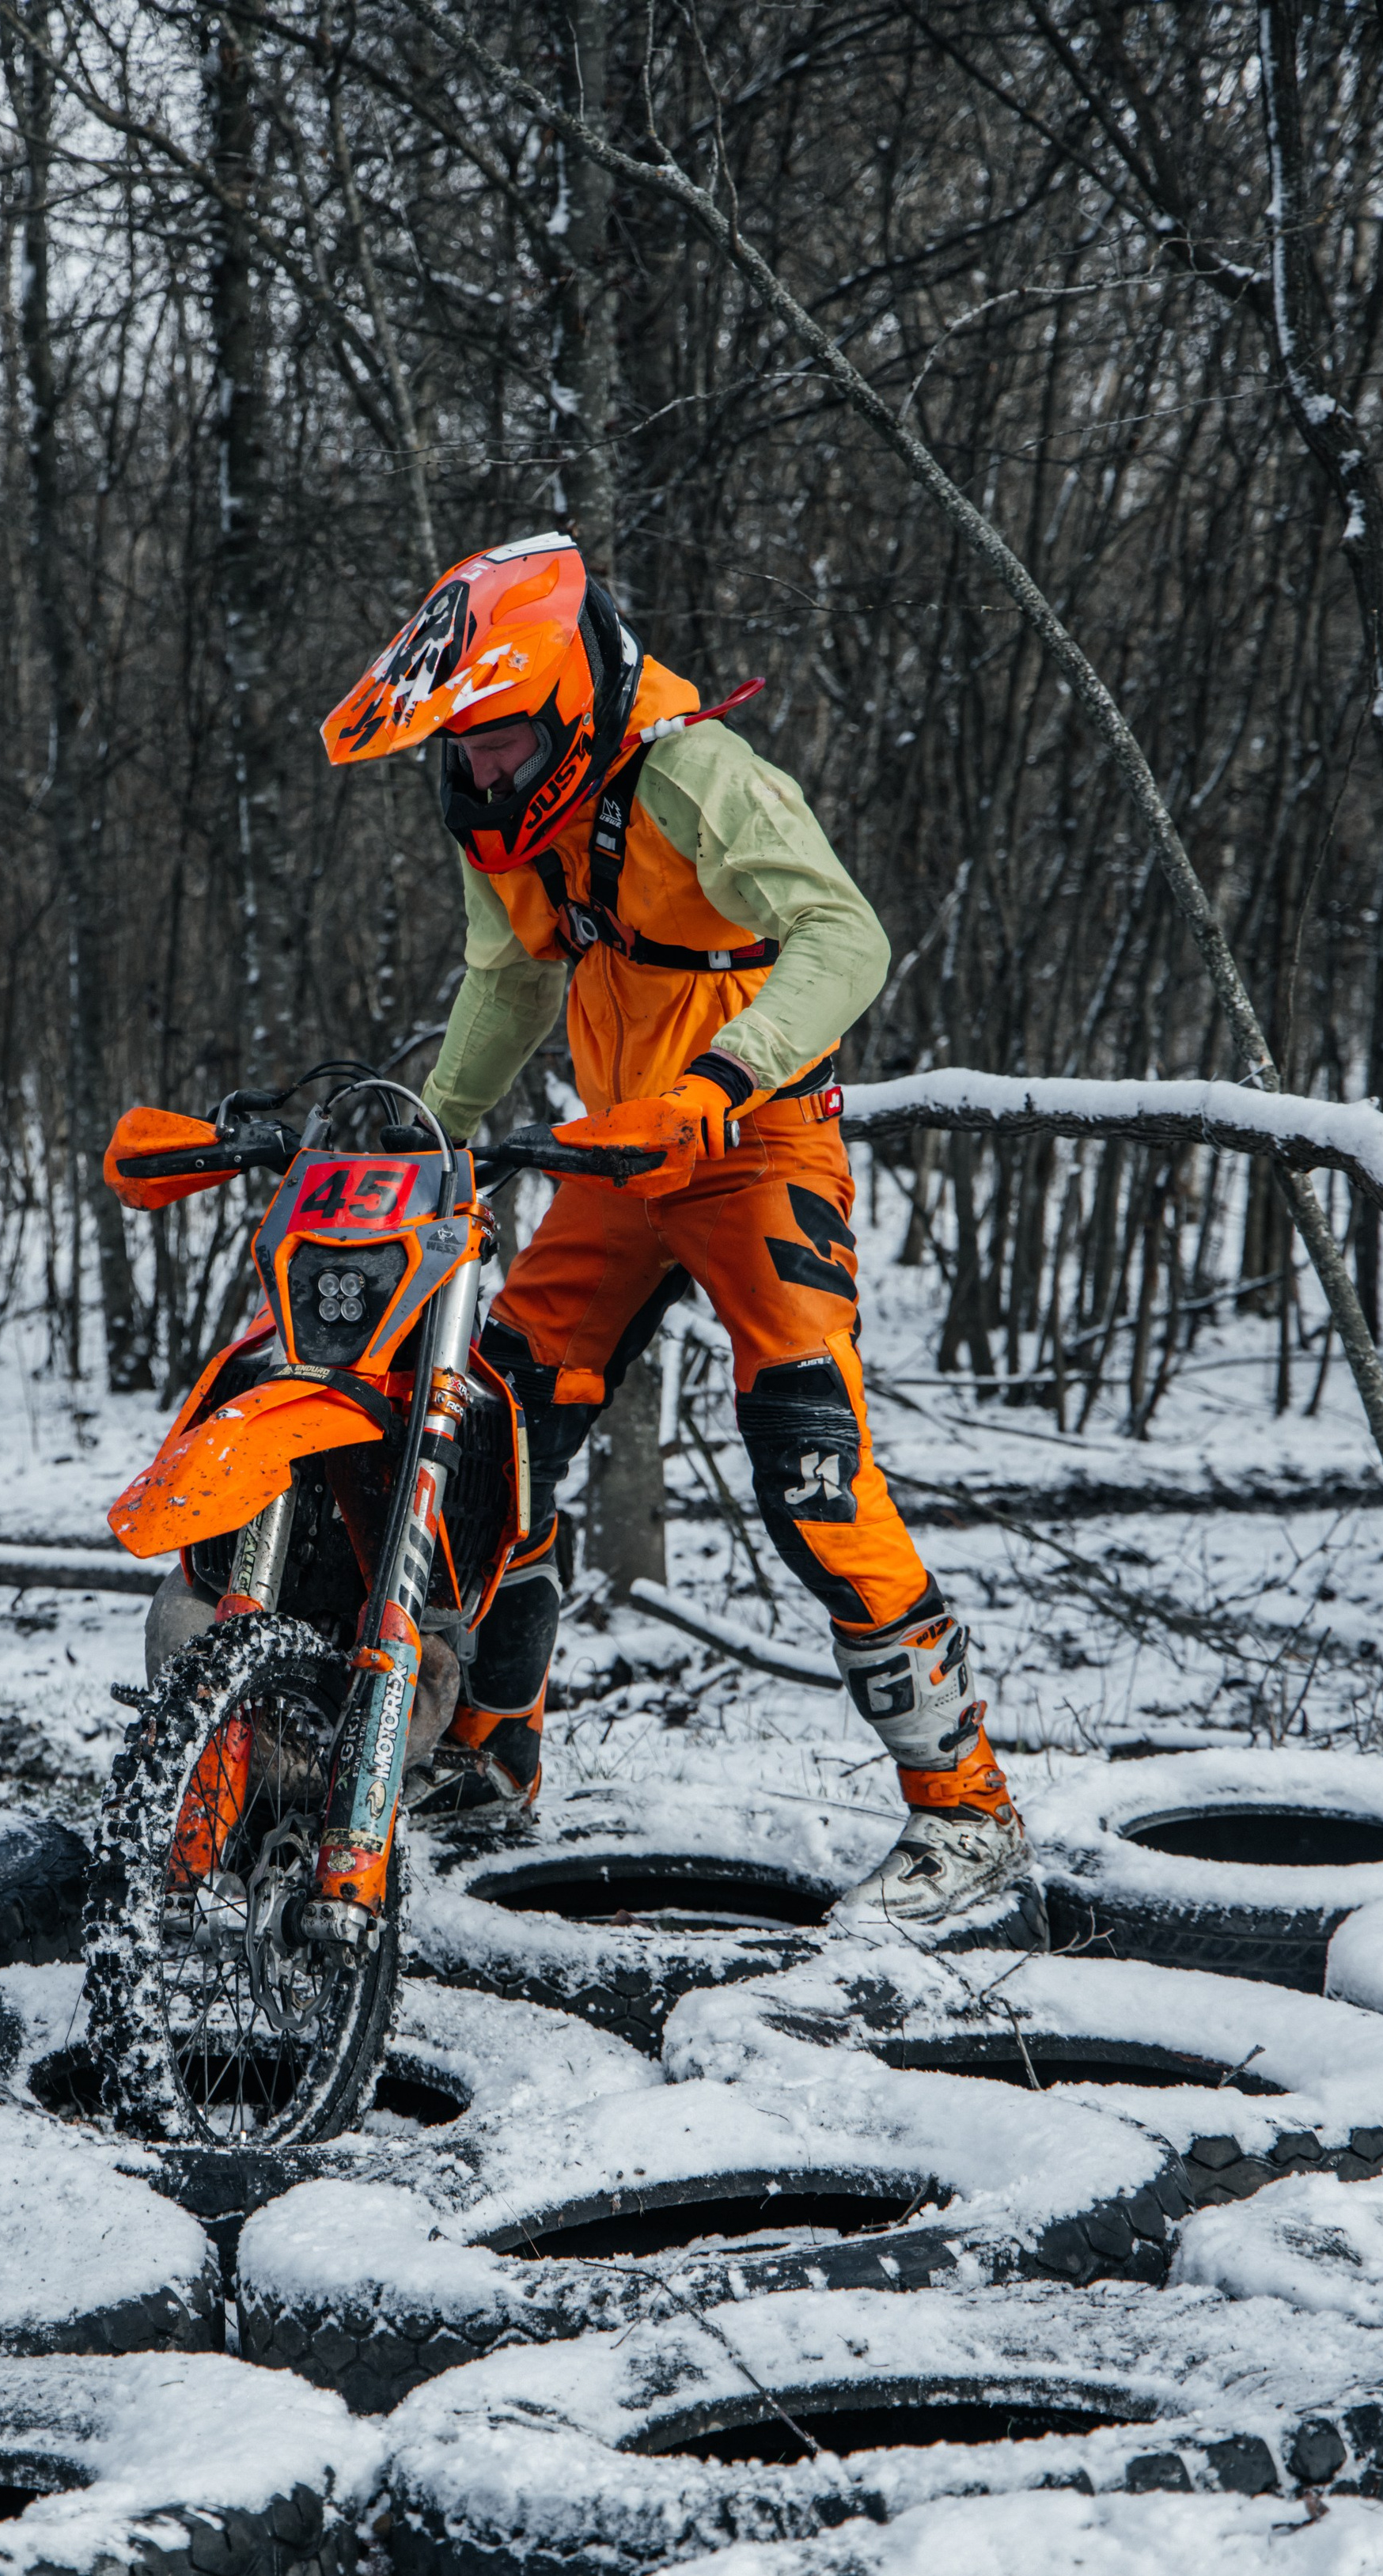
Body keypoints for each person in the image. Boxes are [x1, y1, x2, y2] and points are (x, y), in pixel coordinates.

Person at [321, 532, 1040, 1941]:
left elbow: (846, 939)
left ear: (572, 699)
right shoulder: (492, 809)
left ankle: (969, 1809)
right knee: (493, 1425)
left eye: (505, 741)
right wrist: (432, 1123)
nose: (483, 773)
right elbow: (513, 976)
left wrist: (725, 1078)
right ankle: (493, 1750)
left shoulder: (695, 773)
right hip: (621, 1150)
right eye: (461, 749)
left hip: (754, 1135)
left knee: (810, 1460)